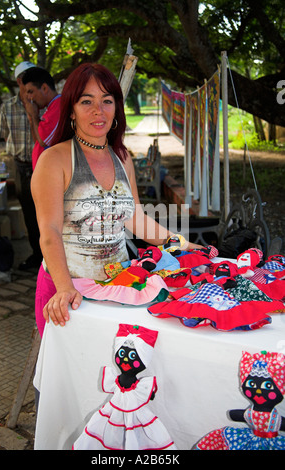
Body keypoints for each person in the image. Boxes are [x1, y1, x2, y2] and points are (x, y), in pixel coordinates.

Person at [31, 62, 203, 337]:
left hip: (120, 285)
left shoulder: (123, 158)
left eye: (106, 101)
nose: (98, 111)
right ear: (72, 110)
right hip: (69, 291)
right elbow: (49, 231)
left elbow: (136, 219)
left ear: (116, 109)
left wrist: (182, 244)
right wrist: (64, 288)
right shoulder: (54, 160)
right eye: (86, 101)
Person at [0, 61, 42, 270]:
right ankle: (37, 254)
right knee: (29, 213)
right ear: (19, 81)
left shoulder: (43, 105)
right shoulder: (8, 107)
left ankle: (53, 256)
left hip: (43, 166)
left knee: (49, 212)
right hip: (21, 165)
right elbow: (3, 136)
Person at [22, 67, 61, 169]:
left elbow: (43, 141)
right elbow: (37, 140)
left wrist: (34, 116)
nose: (30, 97)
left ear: (44, 88)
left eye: (31, 92)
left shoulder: (58, 106)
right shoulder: (50, 108)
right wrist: (31, 118)